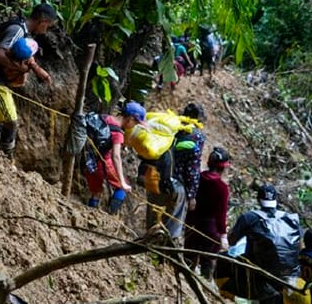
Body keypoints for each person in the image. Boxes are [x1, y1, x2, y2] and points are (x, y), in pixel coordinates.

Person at [0, 3, 56, 156]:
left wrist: (41, 74)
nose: (46, 30)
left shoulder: (23, 33)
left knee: (3, 122)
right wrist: (20, 69)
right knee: (10, 121)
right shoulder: (17, 30)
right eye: (47, 26)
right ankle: (2, 156)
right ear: (43, 21)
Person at [226, 184, 303, 303]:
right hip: (289, 273)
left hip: (260, 272)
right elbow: (300, 246)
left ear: (258, 200)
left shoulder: (249, 217)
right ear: (276, 200)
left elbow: (231, 242)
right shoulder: (291, 218)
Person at [131, 101, 187, 241]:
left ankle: (150, 237)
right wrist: (167, 185)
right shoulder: (165, 151)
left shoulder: (153, 146)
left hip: (151, 184)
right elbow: (167, 172)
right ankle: (160, 242)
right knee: (164, 218)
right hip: (161, 185)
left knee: (152, 213)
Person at [184, 147, 231, 279]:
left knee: (188, 255)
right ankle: (205, 284)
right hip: (210, 229)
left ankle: (186, 278)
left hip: (192, 224)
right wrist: (223, 235)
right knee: (208, 260)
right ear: (224, 168)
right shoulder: (222, 188)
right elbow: (221, 215)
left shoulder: (198, 177)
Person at [80, 107, 134, 214]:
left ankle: (91, 213)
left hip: (88, 161)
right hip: (103, 163)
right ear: (130, 119)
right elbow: (116, 156)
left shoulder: (104, 118)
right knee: (122, 188)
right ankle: (111, 217)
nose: (134, 126)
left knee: (96, 191)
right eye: (135, 123)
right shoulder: (118, 133)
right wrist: (122, 182)